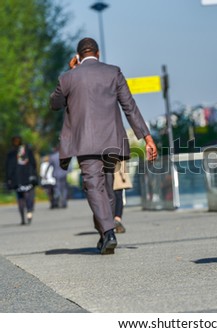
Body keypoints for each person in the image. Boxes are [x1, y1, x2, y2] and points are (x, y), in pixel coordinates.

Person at [50, 37, 158, 255]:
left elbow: (55, 103)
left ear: (78, 56)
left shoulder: (68, 77)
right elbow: (130, 107)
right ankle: (105, 234)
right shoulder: (113, 72)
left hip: (85, 143)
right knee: (107, 187)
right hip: (112, 141)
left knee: (93, 186)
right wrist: (147, 138)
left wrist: (70, 71)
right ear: (98, 53)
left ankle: (108, 232)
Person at [5, 136, 38, 225]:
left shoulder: (11, 153)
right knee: (28, 196)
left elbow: (8, 168)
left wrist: (8, 179)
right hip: (27, 178)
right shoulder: (27, 151)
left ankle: (23, 218)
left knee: (20, 198)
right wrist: (34, 174)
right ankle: (29, 212)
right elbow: (33, 164)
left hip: (17, 179)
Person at [113, 160, 133, 233]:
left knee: (114, 199)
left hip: (113, 175)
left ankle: (114, 221)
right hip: (117, 175)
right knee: (119, 198)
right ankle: (117, 220)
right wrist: (124, 176)